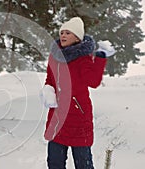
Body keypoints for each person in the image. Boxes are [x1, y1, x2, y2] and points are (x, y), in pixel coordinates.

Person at [40, 17, 115, 169]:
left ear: (77, 37)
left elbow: (93, 81)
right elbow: (50, 78)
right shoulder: (54, 56)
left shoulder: (83, 58)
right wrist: (48, 89)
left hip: (78, 117)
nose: (63, 35)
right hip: (57, 117)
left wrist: (100, 59)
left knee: (83, 164)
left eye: (68, 32)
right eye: (62, 32)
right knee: (54, 163)